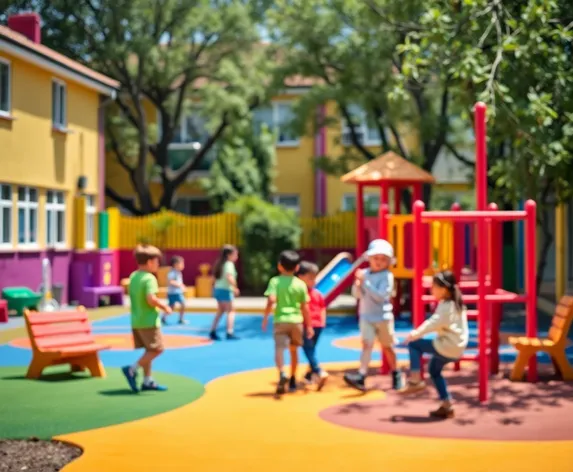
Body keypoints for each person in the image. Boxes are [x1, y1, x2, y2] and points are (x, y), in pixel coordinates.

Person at [399, 270, 469, 419]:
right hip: (457, 346)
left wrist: (414, 334)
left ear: (443, 289)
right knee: (434, 370)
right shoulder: (456, 303)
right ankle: (447, 405)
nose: (431, 290)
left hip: (448, 345)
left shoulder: (446, 307)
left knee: (414, 345)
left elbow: (433, 323)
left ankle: (416, 380)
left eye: (433, 287)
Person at [344, 239, 402, 391]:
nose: (379, 262)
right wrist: (357, 285)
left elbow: (381, 296)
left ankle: (396, 372)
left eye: (383, 259)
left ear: (388, 261)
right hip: (366, 316)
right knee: (366, 344)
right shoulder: (364, 274)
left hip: (383, 317)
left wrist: (365, 283)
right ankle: (361, 376)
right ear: (369, 258)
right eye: (376, 258)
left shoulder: (387, 276)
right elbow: (357, 295)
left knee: (387, 346)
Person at [262, 250, 313, 395]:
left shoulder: (275, 281)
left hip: (280, 320)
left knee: (279, 348)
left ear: (279, 266)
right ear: (297, 268)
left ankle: (281, 372)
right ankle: (292, 378)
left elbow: (271, 300)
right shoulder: (300, 285)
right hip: (296, 321)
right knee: (293, 349)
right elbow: (305, 308)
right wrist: (309, 326)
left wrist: (265, 318)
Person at [122, 244, 171, 393]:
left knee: (149, 350)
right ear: (150, 262)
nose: (158, 265)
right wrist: (165, 307)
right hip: (149, 321)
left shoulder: (134, 276)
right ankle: (132, 369)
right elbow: (151, 299)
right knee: (157, 349)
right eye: (157, 262)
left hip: (137, 321)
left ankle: (147, 380)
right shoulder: (150, 278)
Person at [297, 261, 329, 390]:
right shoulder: (316, 294)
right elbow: (322, 308)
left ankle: (318, 371)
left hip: (308, 325)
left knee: (308, 350)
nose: (313, 281)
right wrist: (322, 321)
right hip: (317, 325)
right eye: (310, 278)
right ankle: (309, 374)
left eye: (314, 278)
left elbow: (321, 308)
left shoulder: (303, 294)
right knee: (312, 349)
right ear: (301, 277)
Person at [210, 244, 240, 340]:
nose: (237, 257)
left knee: (220, 310)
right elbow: (229, 277)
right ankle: (229, 332)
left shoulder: (220, 264)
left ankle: (213, 330)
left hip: (218, 289)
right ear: (229, 255)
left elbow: (214, 279)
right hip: (225, 290)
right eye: (235, 254)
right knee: (231, 311)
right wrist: (235, 287)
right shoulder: (229, 264)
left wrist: (213, 289)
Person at [162, 255, 186, 325]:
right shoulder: (172, 272)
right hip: (173, 293)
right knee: (171, 306)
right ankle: (163, 317)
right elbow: (171, 281)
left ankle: (181, 318)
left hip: (178, 292)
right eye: (181, 263)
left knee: (182, 304)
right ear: (175, 264)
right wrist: (180, 285)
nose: (183, 265)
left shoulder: (178, 272)